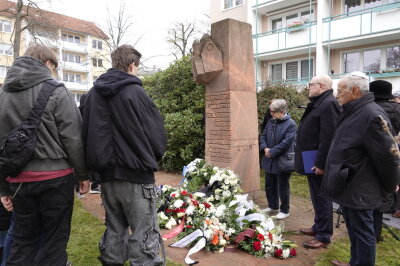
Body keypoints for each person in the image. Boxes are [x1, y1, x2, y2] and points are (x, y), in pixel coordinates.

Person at [0, 43, 90, 265]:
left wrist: (3, 187)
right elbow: (74, 138)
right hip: (55, 179)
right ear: (47, 63)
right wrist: (83, 175)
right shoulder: (57, 90)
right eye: (54, 66)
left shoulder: (2, 94)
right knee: (54, 241)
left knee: (23, 240)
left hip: (18, 180)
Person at [81, 45, 167, 266]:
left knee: (114, 230)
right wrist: (151, 157)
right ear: (131, 65)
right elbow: (156, 134)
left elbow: (84, 133)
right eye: (138, 67)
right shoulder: (135, 92)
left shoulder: (92, 95)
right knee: (144, 234)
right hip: (136, 176)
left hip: (107, 178)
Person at [321, 72, 400, 266]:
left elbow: (389, 155)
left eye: (340, 91)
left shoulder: (372, 115)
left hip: (361, 186)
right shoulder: (351, 110)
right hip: (348, 183)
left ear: (355, 91)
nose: (336, 95)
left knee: (364, 232)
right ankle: (354, 262)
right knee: (354, 229)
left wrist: (391, 185)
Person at [294, 74, 340, 249]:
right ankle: (318, 226)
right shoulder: (321, 102)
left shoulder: (329, 104)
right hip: (311, 158)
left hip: (317, 160)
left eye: (310, 84)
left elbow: (328, 137)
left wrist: (321, 164)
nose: (308, 87)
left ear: (321, 85)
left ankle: (323, 235)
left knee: (322, 198)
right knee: (316, 195)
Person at [369, 80, 400, 237]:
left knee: (372, 189)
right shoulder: (397, 109)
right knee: (390, 186)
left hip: (373, 154)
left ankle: (373, 229)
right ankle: (395, 210)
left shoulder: (369, 109)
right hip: (394, 151)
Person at [260, 99, 296, 219]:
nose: (271, 114)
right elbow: (263, 136)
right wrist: (265, 148)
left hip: (282, 160)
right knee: (269, 185)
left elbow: (286, 143)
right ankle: (273, 205)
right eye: (270, 111)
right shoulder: (271, 121)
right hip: (269, 159)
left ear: (281, 111)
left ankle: (285, 210)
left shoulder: (291, 124)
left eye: (273, 112)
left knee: (283, 187)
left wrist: (272, 152)